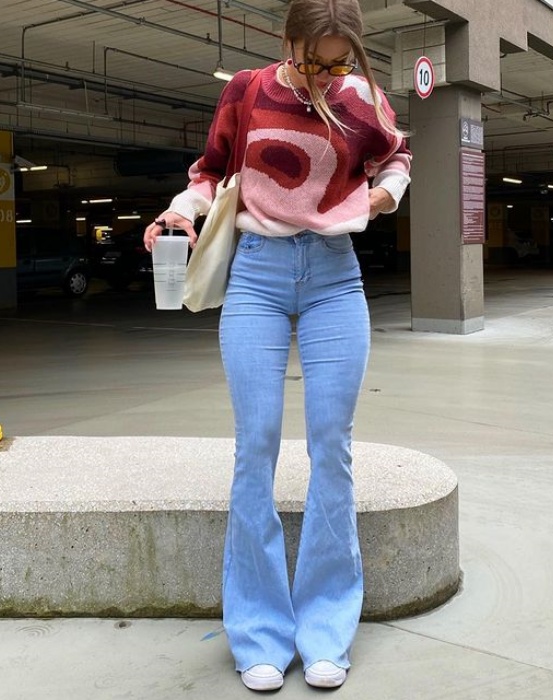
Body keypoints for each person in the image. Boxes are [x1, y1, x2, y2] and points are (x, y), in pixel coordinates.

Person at [144, 0, 411, 691]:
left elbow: (397, 158)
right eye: (312, 60)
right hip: (257, 274)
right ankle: (259, 633)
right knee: (255, 444)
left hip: (334, 278)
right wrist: (179, 209)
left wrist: (380, 200)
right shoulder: (248, 89)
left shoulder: (365, 98)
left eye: (338, 62)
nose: (325, 76)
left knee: (332, 447)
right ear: (286, 41)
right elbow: (209, 170)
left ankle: (325, 632)